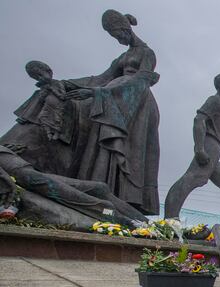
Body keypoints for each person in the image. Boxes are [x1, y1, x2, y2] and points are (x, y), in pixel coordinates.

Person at [1, 9, 161, 215]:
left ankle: (116, 199)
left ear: (125, 28)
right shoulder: (123, 56)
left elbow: (141, 80)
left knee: (107, 137)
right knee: (64, 100)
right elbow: (100, 77)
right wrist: (66, 84)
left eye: (117, 34)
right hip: (111, 97)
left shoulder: (146, 52)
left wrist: (98, 93)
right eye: (113, 36)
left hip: (135, 104)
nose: (117, 38)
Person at [0, 145, 147, 226]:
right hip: (19, 173)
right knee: (34, 179)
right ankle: (107, 213)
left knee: (99, 188)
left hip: (17, 164)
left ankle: (152, 226)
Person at [164, 74, 220, 226]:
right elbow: (199, 120)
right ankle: (170, 222)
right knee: (191, 178)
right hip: (209, 144)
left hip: (216, 149)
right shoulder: (214, 100)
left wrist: (216, 161)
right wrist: (199, 148)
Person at [15, 60, 70, 142]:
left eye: (40, 75)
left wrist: (51, 89)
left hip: (56, 105)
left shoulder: (58, 83)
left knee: (57, 118)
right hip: (47, 105)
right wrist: (43, 93)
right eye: (36, 78)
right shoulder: (42, 88)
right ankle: (47, 133)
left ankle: (57, 133)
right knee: (42, 116)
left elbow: (62, 95)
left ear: (49, 72)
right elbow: (41, 99)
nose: (39, 78)